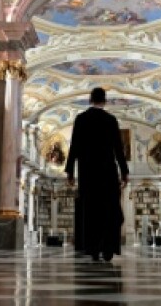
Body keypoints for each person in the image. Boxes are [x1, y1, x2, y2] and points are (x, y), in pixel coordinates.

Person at [66, 86, 129, 262]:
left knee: (91, 211)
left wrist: (70, 170)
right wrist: (124, 172)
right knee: (109, 209)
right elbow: (118, 148)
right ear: (105, 100)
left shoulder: (81, 119)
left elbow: (75, 146)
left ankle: (93, 249)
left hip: (87, 173)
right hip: (108, 171)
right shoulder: (111, 120)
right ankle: (108, 248)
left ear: (90, 100)